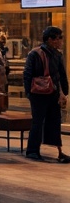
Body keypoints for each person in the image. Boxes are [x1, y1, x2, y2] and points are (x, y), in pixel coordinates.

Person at [22, 26, 69, 163]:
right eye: (58, 38)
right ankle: (32, 151)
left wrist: (64, 92)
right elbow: (27, 74)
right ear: (50, 39)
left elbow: (61, 75)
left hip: (52, 92)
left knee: (55, 121)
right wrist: (29, 93)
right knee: (38, 121)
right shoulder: (35, 53)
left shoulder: (57, 54)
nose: (60, 41)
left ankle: (59, 151)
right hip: (38, 94)